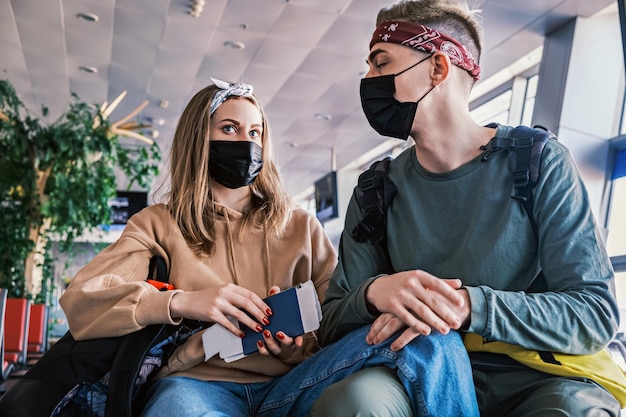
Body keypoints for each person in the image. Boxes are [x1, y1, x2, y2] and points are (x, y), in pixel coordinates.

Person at [59, 78, 479, 417]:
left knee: (431, 335)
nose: (247, 141)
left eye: (255, 131)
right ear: (197, 141)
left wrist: (301, 345)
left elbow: (336, 314)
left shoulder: (300, 226)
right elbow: (82, 301)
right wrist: (185, 302)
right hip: (198, 385)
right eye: (229, 128)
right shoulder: (159, 224)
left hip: (294, 383)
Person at [317, 0, 625, 416]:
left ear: (438, 69)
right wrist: (374, 294)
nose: (368, 79)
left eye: (381, 62)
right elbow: (332, 320)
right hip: (420, 367)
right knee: (353, 403)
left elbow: (594, 313)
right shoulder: (376, 189)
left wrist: (469, 305)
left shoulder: (537, 161)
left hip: (539, 375)